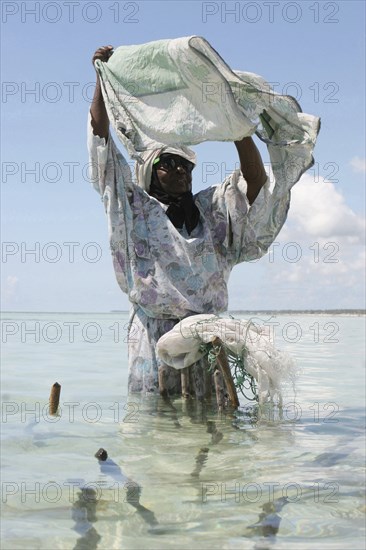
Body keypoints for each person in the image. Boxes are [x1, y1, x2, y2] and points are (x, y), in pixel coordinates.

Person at [89, 45, 273, 395]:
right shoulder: (134, 210)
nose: (179, 171)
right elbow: (101, 143)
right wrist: (101, 79)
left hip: (207, 339)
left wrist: (236, 128)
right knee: (155, 425)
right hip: (152, 338)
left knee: (212, 420)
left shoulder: (212, 210)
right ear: (149, 174)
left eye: (184, 165)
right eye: (167, 164)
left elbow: (255, 180)